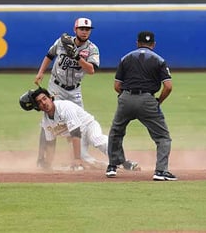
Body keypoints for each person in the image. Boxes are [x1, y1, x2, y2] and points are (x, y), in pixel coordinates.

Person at [106, 31, 177, 181]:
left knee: (116, 132)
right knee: (163, 137)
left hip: (126, 99)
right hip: (147, 100)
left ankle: (112, 167)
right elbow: (168, 86)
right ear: (154, 44)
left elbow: (117, 85)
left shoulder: (126, 58)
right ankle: (160, 171)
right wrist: (158, 102)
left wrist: (126, 96)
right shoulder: (159, 60)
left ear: (137, 43)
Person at [33, 17, 101, 168]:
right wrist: (40, 73)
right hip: (56, 88)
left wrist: (77, 57)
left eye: (87, 29)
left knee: (80, 124)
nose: (84, 32)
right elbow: (49, 55)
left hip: (75, 90)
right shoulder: (63, 42)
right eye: (81, 29)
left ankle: (79, 158)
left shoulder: (92, 49)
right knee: (49, 123)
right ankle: (43, 159)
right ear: (75, 30)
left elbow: (91, 70)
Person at [19, 87, 108, 170]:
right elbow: (51, 144)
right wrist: (48, 163)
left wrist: (76, 158)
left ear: (50, 98)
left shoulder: (64, 107)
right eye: (39, 103)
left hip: (89, 126)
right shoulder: (46, 122)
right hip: (79, 137)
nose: (44, 103)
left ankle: (117, 155)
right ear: (38, 107)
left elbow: (75, 132)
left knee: (96, 139)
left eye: (44, 99)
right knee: (85, 160)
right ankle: (108, 165)